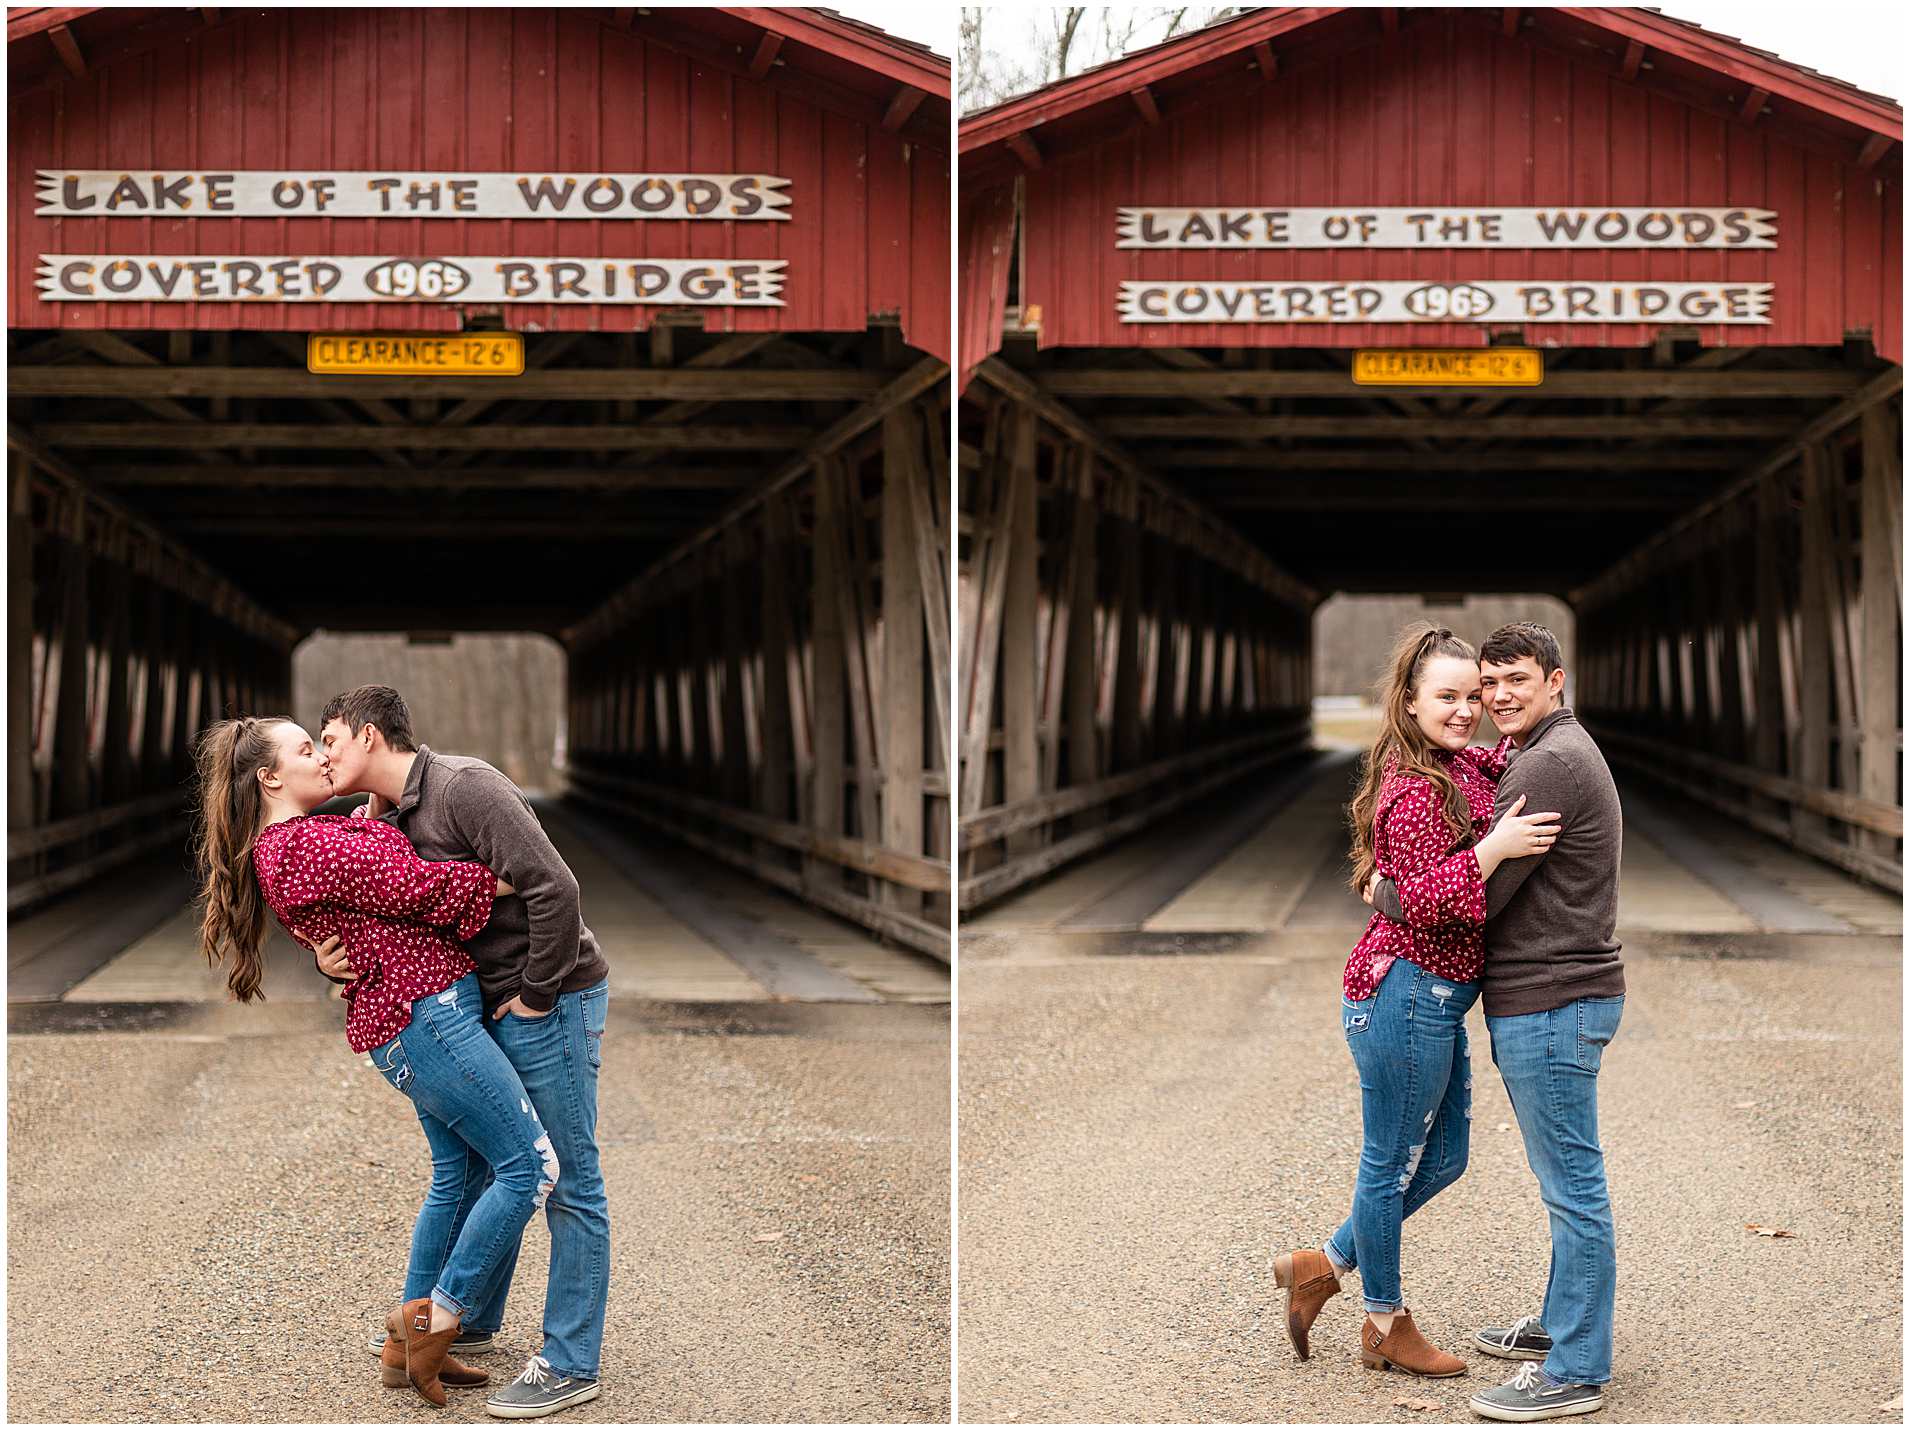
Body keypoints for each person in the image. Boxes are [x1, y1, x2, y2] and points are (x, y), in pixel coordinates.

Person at [191, 716, 550, 1409]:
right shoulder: (302, 844)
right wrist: (515, 876)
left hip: (416, 1016)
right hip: (429, 1015)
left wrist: (375, 813)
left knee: (461, 1171)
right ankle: (434, 1321)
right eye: (304, 749)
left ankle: (404, 1353)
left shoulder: (300, 842)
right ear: (269, 777)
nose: (320, 757)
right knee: (530, 1165)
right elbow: (419, 887)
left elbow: (369, 887)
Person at [310, 686, 611, 1421]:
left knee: (566, 1175)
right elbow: (384, 917)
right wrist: (330, 959)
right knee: (483, 1160)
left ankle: (571, 1362)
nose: (323, 757)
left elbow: (556, 887)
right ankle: (460, 1319)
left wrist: (537, 996)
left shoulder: (465, 787)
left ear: (372, 735)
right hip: (481, 1002)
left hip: (551, 995)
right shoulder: (376, 822)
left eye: (331, 740)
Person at [1272, 625, 1560, 1378]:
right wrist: (1493, 849)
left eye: (1474, 696)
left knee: (1447, 1158)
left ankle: (1323, 1262)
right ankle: (1383, 1321)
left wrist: (1539, 711)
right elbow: (1432, 899)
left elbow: (1511, 758)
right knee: (1389, 1164)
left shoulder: (1460, 764)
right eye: (1448, 696)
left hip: (1432, 999)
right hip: (1402, 993)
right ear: (1409, 700)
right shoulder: (1413, 787)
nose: (1468, 710)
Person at [1366, 622, 1626, 1423]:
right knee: (1565, 1181)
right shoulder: (1542, 751)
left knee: (1571, 1185)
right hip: (1551, 996)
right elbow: (1458, 784)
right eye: (1486, 684)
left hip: (1552, 998)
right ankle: (1559, 1326)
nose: (1497, 696)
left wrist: (1389, 895)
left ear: (1556, 681)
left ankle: (1577, 1365)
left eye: (1516, 679)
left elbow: (1475, 906)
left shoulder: (1547, 762)